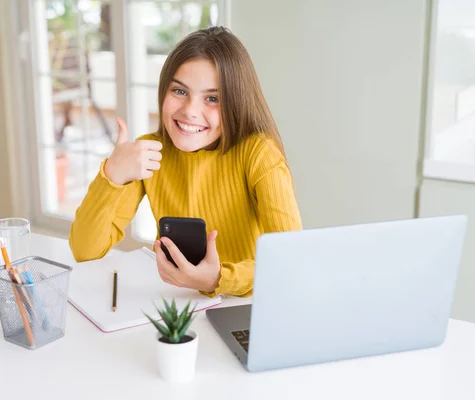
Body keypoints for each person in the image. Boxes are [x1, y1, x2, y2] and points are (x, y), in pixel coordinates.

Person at [69, 26, 302, 297]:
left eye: (212, 98)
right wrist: (112, 175)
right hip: (179, 303)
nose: (190, 111)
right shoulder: (150, 152)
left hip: (247, 306)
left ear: (236, 103)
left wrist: (218, 279)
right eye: (179, 91)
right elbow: (84, 251)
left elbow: (291, 262)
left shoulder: (258, 153)